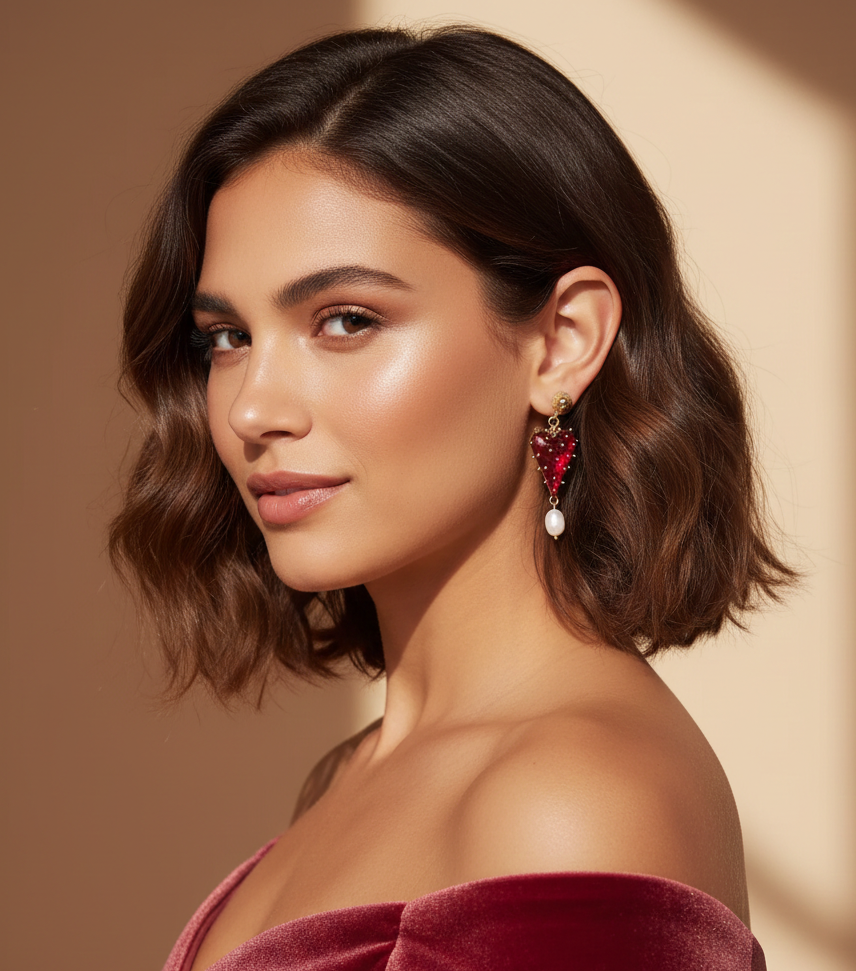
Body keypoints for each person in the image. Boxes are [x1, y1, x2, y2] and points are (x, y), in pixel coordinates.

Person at [110, 24, 794, 971]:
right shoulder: (349, 778)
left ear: (560, 342)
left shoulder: (575, 796)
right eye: (226, 338)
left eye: (345, 320)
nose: (253, 407)